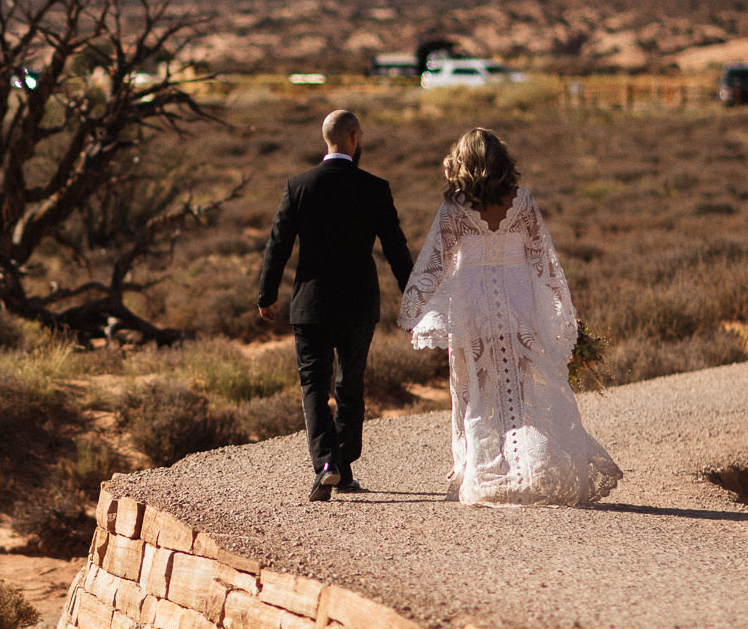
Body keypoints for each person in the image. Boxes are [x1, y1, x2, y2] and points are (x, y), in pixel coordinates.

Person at [397, 127, 620, 506]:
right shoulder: (523, 200)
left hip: (472, 304)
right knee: (526, 384)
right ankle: (535, 469)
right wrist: (559, 309)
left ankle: (482, 473)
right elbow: (542, 259)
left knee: (478, 390)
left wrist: (416, 308)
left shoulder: (454, 208)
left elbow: (434, 266)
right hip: (520, 298)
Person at [257, 109, 416, 502]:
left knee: (314, 384)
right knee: (350, 383)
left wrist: (267, 294)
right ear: (355, 138)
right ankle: (344, 469)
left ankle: (326, 464)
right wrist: (414, 297)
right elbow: (396, 248)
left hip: (311, 304)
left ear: (325, 139)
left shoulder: (299, 186)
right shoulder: (375, 188)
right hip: (359, 304)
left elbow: (278, 244)